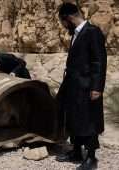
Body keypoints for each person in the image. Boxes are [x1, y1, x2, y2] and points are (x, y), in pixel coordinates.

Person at [56, 3, 107, 170]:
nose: (64, 27)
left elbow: (99, 62)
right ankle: (76, 151)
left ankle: (91, 157)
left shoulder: (92, 32)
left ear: (68, 18)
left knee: (89, 120)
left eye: (63, 23)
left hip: (87, 87)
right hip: (74, 86)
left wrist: (97, 87)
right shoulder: (76, 34)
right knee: (74, 118)